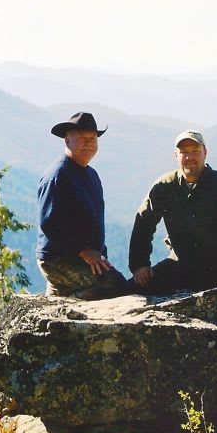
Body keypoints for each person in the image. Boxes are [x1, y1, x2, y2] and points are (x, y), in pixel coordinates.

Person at [128, 129, 217, 294]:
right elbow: (143, 223)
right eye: (184, 152)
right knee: (127, 291)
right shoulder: (165, 186)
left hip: (214, 269)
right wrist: (140, 265)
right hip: (178, 264)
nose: (190, 157)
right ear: (176, 155)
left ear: (205, 152)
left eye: (195, 151)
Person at [36, 112, 128, 300]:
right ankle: (70, 305)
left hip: (81, 256)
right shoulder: (58, 176)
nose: (88, 143)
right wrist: (83, 250)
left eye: (92, 138)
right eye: (82, 138)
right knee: (115, 286)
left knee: (111, 283)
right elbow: (49, 224)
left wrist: (98, 253)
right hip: (59, 258)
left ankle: (58, 301)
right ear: (67, 140)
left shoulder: (91, 175)